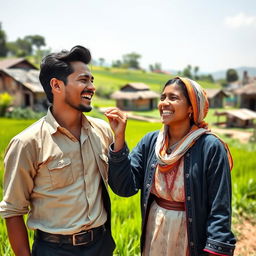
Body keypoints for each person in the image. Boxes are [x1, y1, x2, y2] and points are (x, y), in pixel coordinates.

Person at [0, 45, 115, 256]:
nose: (91, 87)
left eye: (92, 80)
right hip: (55, 250)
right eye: (83, 80)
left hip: (101, 247)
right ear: (56, 85)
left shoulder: (103, 131)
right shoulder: (27, 143)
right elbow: (13, 211)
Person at [105, 77, 236, 256]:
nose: (164, 103)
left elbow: (220, 206)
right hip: (155, 229)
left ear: (192, 107)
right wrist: (119, 138)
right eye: (162, 97)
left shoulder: (210, 147)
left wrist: (215, 248)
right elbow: (125, 187)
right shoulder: (151, 142)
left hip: (191, 235)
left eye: (173, 98)